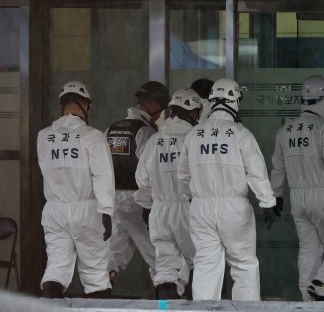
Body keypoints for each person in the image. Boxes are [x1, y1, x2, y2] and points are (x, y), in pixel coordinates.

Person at [178, 78, 280, 301]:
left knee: (206, 264)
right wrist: (268, 202)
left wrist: (189, 198)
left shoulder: (194, 134)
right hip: (234, 209)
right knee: (244, 265)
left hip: (201, 208)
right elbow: (256, 171)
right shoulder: (240, 134)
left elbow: (183, 175)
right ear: (235, 100)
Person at [271, 75, 324, 301]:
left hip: (297, 199)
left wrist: (276, 195)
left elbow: (278, 168)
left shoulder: (285, 131)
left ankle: (308, 299)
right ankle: (322, 284)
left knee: (308, 249)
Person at [38, 81, 115, 298]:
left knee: (56, 268)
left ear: (61, 105)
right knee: (95, 273)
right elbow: (103, 175)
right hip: (87, 211)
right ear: (85, 104)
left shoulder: (43, 137)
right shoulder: (93, 136)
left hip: (55, 211)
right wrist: (107, 211)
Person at [134, 88, 203, 299]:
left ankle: (166, 311)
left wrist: (147, 206)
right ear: (193, 113)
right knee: (199, 262)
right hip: (188, 209)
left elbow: (142, 179)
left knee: (165, 266)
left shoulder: (154, 140)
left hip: (159, 211)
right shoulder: (194, 139)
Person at [106, 81, 169, 288]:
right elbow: (149, 173)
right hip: (137, 203)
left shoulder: (110, 129)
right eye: (162, 108)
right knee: (159, 254)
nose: (161, 114)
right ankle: (167, 295)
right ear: (152, 105)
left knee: (115, 254)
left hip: (114, 200)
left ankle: (100, 294)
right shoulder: (145, 132)